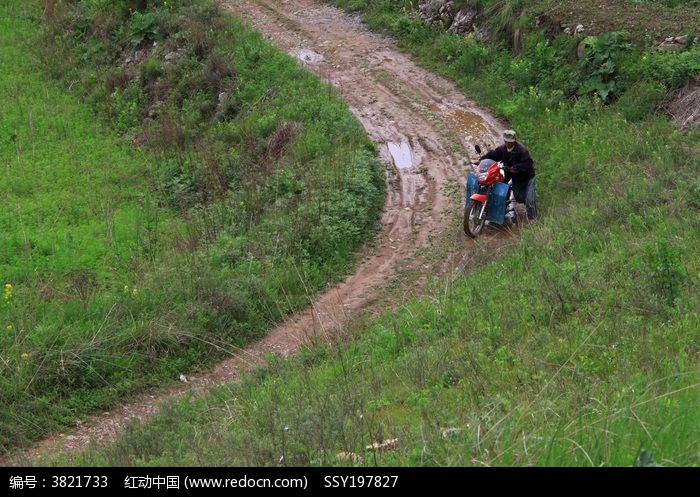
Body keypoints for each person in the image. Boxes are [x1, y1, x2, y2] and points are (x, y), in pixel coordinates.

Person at [479, 129, 537, 222]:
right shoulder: (502, 149)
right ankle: (500, 211)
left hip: (527, 177)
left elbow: (528, 164)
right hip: (512, 175)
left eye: (510, 142)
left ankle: (533, 220)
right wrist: (481, 160)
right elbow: (493, 155)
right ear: (504, 140)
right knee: (506, 191)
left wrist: (514, 168)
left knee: (529, 200)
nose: (508, 143)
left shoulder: (522, 151)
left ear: (514, 141)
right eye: (506, 141)